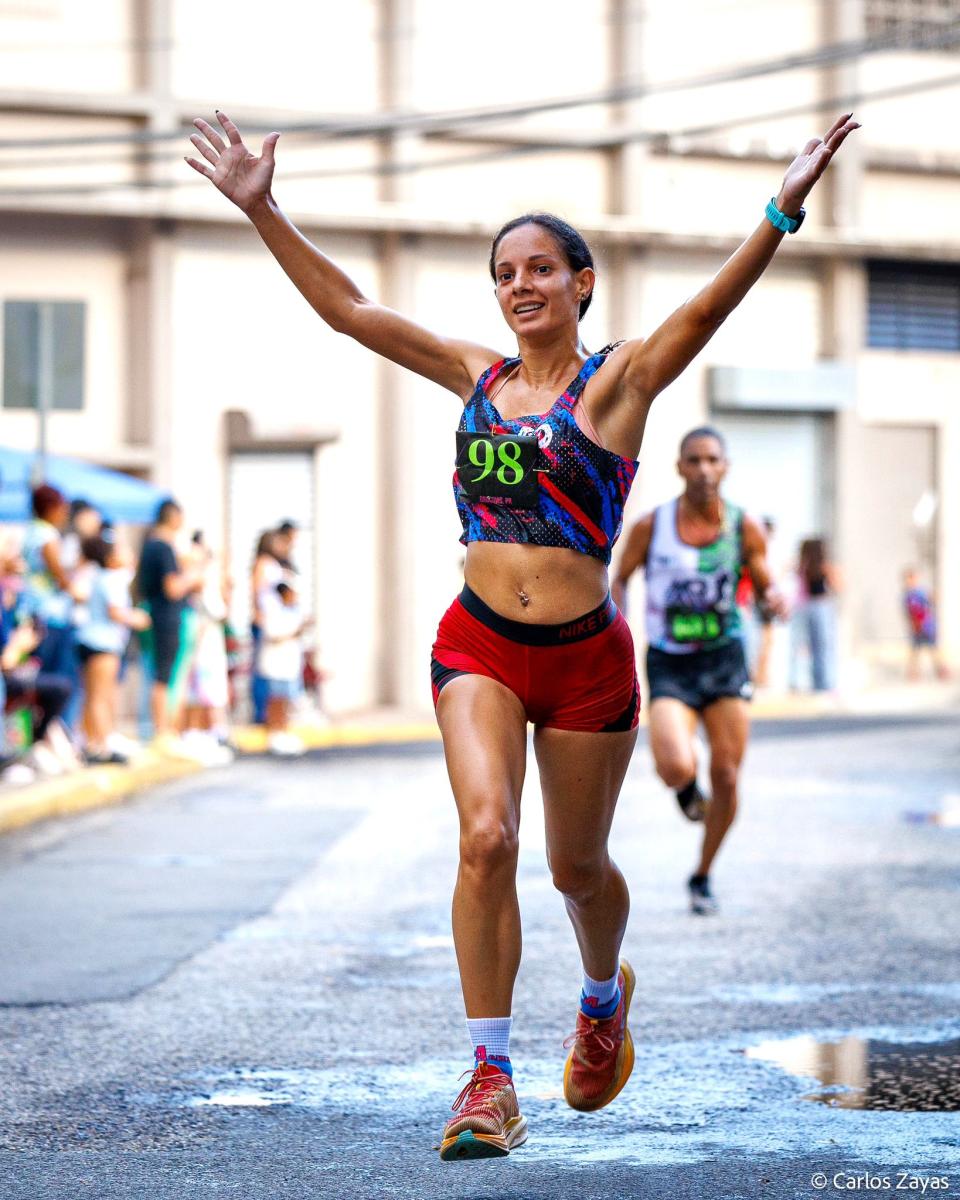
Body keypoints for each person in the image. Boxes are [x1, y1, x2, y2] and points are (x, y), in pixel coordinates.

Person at [186, 106, 858, 1161]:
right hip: (481, 645)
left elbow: (705, 308)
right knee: (485, 836)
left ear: (580, 283)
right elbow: (353, 311)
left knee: (575, 872)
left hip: (589, 662)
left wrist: (783, 204)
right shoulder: (476, 379)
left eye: (542, 268)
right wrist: (264, 210)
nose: (520, 286)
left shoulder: (622, 380)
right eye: (505, 273)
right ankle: (490, 1076)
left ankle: (601, 997)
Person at [613, 427, 787, 916]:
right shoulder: (654, 525)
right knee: (675, 764)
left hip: (724, 657)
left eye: (712, 459)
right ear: (679, 467)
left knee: (728, 774)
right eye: (694, 460)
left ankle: (703, 874)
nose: (704, 469)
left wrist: (774, 598)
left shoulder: (742, 526)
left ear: (725, 467)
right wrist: (618, 623)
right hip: (670, 660)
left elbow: (765, 581)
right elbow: (621, 578)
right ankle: (689, 793)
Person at [134, 499, 205, 746]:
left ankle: (165, 730)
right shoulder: (162, 547)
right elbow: (173, 588)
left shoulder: (150, 546)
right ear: (174, 517)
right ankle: (163, 731)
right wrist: (193, 576)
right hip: (166, 617)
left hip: (158, 614)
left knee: (164, 675)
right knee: (167, 676)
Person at [75, 535, 151, 764]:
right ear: (109, 558)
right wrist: (138, 618)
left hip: (90, 640)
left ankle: (92, 742)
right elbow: (115, 611)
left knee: (92, 696)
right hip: (103, 643)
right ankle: (104, 743)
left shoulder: (99, 577)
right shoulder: (111, 580)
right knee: (102, 696)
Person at [259, 581, 309, 756]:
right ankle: (274, 732)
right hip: (276, 666)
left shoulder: (293, 612)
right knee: (276, 700)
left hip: (289, 666)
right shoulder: (274, 612)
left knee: (286, 700)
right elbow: (274, 635)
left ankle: (284, 731)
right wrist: (296, 631)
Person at [790, 536, 839, 692]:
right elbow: (837, 586)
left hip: (803, 606)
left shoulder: (802, 567)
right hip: (820, 605)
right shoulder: (822, 566)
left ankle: (803, 682)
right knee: (823, 646)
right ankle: (824, 683)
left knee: (804, 646)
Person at [249, 530, 285, 725]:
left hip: (276, 621)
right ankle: (261, 712)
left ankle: (272, 713)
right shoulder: (262, 564)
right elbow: (257, 590)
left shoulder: (276, 564)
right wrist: (258, 614)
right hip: (265, 622)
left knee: (276, 669)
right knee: (263, 668)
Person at [902, 568, 948, 682]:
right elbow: (908, 612)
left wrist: (934, 597)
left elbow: (930, 600)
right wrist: (912, 623)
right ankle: (913, 672)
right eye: (908, 579)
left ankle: (940, 670)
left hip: (927, 626)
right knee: (915, 651)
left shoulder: (920, 592)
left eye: (912, 578)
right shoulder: (907, 596)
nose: (910, 581)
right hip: (917, 627)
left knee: (933, 649)